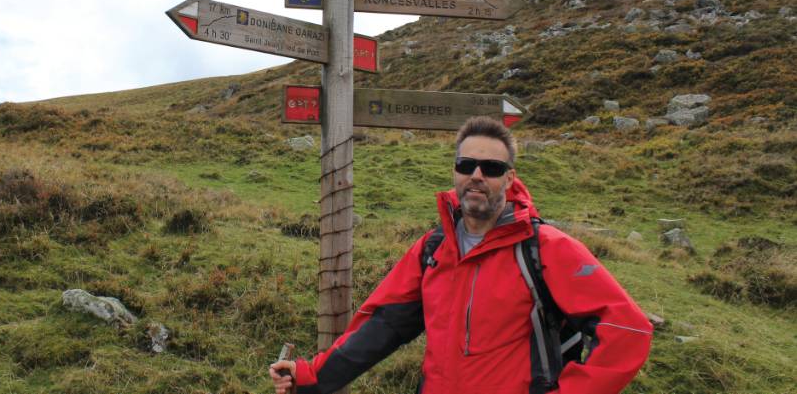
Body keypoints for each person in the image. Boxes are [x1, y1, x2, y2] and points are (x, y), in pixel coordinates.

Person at [269, 116, 652, 394]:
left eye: (492, 167)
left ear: (510, 178)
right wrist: (310, 377)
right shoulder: (434, 248)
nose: (477, 175)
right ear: (454, 172)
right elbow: (382, 327)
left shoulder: (545, 248)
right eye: (467, 165)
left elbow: (628, 330)